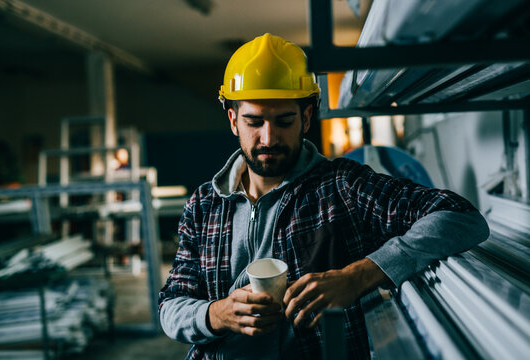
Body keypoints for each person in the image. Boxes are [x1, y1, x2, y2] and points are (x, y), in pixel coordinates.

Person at [159, 33, 489, 359]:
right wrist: (218, 314)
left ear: (305, 118)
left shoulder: (341, 186)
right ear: (234, 121)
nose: (269, 137)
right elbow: (172, 305)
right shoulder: (204, 205)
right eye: (254, 122)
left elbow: (460, 217)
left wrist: (356, 276)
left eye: (284, 121)